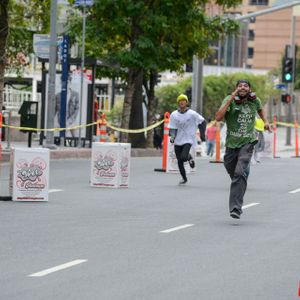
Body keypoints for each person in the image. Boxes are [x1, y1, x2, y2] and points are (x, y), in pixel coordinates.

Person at [215, 80, 270, 219]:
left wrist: (266, 122)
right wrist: (231, 98)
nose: (243, 88)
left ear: (249, 89)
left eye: (246, 86)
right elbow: (218, 117)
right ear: (235, 89)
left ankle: (235, 208)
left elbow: (260, 110)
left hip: (248, 142)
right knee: (234, 173)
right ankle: (241, 181)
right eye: (240, 86)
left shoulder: (254, 100)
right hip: (231, 144)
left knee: (239, 173)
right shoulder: (230, 100)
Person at [169, 94, 206, 185]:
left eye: (183, 100)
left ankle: (189, 157)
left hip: (188, 139)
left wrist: (202, 134)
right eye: (180, 100)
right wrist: (172, 137)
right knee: (180, 161)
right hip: (178, 140)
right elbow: (172, 127)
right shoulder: (174, 114)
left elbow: (202, 121)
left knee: (184, 157)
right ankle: (184, 178)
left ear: (186, 102)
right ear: (178, 103)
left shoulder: (192, 113)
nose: (182, 102)